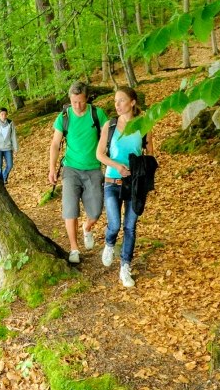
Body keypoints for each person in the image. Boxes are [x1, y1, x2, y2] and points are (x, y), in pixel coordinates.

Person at [96, 86, 151, 288]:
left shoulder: (144, 125)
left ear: (132, 102)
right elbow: (100, 154)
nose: (117, 105)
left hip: (134, 185)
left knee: (130, 227)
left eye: (121, 100)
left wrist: (142, 174)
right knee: (115, 225)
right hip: (111, 182)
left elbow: (150, 156)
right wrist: (117, 166)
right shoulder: (109, 126)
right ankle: (109, 243)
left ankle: (125, 267)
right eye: (115, 101)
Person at [48, 81, 108, 264]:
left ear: (87, 98)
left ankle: (87, 227)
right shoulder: (64, 117)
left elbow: (108, 136)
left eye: (81, 101)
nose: (77, 106)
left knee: (96, 210)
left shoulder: (97, 114)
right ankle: (74, 248)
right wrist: (52, 168)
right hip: (71, 168)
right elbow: (55, 144)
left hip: (93, 168)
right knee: (70, 209)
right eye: (74, 102)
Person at [0, 107, 18, 185]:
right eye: (2, 114)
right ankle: (0, 182)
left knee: (10, 165)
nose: (3, 116)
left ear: (7, 114)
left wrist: (15, 148)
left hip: (8, 148)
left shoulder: (10, 123)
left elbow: (13, 136)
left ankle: (4, 177)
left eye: (5, 114)